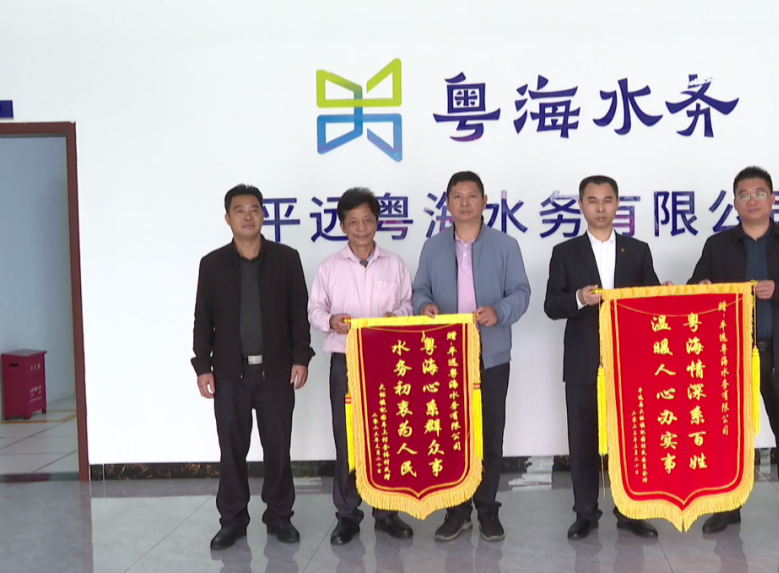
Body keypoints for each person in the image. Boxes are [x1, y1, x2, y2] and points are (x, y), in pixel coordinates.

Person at [688, 166, 779, 536]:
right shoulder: (718, 245)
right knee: (728, 436)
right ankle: (727, 507)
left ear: (772, 199)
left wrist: (778, 290)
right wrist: (701, 286)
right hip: (730, 356)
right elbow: (695, 286)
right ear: (734, 203)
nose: (752, 200)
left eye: (759, 193)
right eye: (744, 195)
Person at [544, 175, 666, 541]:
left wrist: (665, 293)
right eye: (593, 200)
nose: (600, 208)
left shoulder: (638, 250)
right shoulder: (565, 253)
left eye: (607, 200)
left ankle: (631, 511)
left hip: (632, 360)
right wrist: (578, 298)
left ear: (617, 204)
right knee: (582, 440)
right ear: (581, 205)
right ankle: (585, 514)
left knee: (631, 439)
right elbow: (551, 305)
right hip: (583, 361)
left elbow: (652, 299)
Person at [192, 184, 314, 550]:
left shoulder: (286, 259)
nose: (248, 216)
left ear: (263, 215)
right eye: (239, 210)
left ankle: (279, 517)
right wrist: (202, 365)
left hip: (276, 371)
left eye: (254, 209)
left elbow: (298, 313)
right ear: (227, 218)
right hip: (230, 373)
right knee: (232, 451)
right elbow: (203, 318)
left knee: (278, 449)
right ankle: (232, 521)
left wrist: (301, 357)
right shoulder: (212, 264)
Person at [412, 171, 531, 542]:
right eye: (457, 196)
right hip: (446, 356)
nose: (464, 203)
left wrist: (499, 312)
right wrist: (424, 306)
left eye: (472, 195)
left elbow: (521, 292)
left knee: (490, 435)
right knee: (452, 435)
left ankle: (488, 509)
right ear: (447, 203)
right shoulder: (433, 247)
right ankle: (457, 510)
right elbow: (419, 290)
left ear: (484, 202)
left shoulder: (505, 245)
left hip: (491, 354)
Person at [308, 187, 415, 545]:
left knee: (390, 436)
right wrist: (330, 321)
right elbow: (315, 310)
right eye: (353, 222)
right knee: (348, 440)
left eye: (368, 220)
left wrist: (396, 316)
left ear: (377, 222)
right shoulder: (329, 267)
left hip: (388, 360)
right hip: (346, 361)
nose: (361, 228)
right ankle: (347, 515)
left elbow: (409, 303)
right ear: (342, 226)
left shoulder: (395, 264)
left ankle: (387, 513)